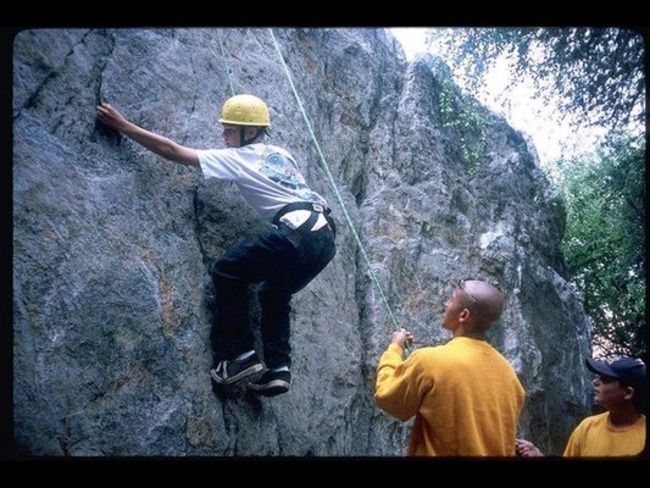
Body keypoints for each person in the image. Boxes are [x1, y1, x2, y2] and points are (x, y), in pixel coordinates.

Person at [97, 94, 336, 397]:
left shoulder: (238, 157)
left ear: (247, 132)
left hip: (298, 229)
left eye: (228, 129)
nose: (223, 135)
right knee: (274, 294)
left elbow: (172, 151)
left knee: (228, 272)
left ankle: (241, 357)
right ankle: (278, 369)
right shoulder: (279, 153)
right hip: (325, 239)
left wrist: (124, 126)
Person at [375, 280, 525, 456]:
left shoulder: (428, 361)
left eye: (451, 300)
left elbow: (389, 399)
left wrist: (394, 348)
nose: (445, 304)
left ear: (463, 315)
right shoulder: (509, 376)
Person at [516, 356, 646, 457]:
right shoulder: (587, 427)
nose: (595, 381)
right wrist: (538, 454)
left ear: (628, 393)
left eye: (606, 378)